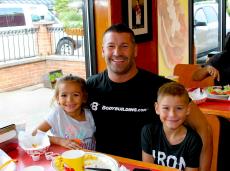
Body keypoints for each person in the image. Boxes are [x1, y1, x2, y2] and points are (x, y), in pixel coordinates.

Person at [86, 23, 212, 170]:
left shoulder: (161, 87)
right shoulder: (90, 86)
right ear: (102, 51)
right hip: (102, 165)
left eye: (124, 46)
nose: (117, 52)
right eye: (111, 46)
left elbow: (203, 128)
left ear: (135, 50)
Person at [141, 82, 202, 171]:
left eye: (179, 108)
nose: (172, 114)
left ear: (188, 109)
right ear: (157, 108)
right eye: (166, 108)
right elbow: (147, 168)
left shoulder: (193, 141)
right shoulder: (148, 132)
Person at [33, 74, 96, 150]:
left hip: (90, 158)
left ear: (84, 98)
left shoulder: (90, 115)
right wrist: (59, 141)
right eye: (64, 95)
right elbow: (34, 134)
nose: (69, 100)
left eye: (76, 95)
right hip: (65, 158)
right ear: (57, 98)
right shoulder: (57, 114)